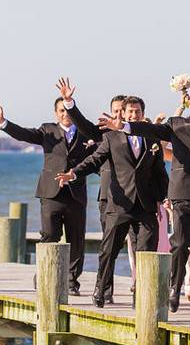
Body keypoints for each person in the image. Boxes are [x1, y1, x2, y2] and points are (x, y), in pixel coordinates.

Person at [101, 85, 190, 314]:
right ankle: (175, 289)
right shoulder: (177, 125)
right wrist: (124, 126)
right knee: (180, 244)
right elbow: (151, 130)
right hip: (183, 195)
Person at [0, 78, 97, 296]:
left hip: (76, 193)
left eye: (67, 110)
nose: (65, 114)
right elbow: (25, 134)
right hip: (51, 193)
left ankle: (72, 281)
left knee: (77, 240)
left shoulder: (86, 133)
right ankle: (45, 274)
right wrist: (3, 122)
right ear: (56, 113)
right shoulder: (47, 130)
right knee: (49, 235)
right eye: (61, 111)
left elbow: (98, 156)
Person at [56, 96, 168, 308]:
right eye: (131, 112)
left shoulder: (152, 139)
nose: (134, 115)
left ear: (143, 114)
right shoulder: (111, 137)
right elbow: (94, 160)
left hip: (145, 206)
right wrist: (73, 174)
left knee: (146, 253)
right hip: (120, 204)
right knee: (109, 251)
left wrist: (163, 198)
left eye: (138, 112)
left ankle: (142, 296)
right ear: (123, 114)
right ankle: (101, 288)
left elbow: (160, 172)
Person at [63, 91, 127, 303]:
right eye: (115, 110)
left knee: (138, 248)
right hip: (109, 197)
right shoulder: (102, 133)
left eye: (122, 111)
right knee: (109, 247)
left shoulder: (136, 132)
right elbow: (81, 123)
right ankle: (104, 290)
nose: (118, 115)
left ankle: (141, 289)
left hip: (136, 201)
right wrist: (69, 103)